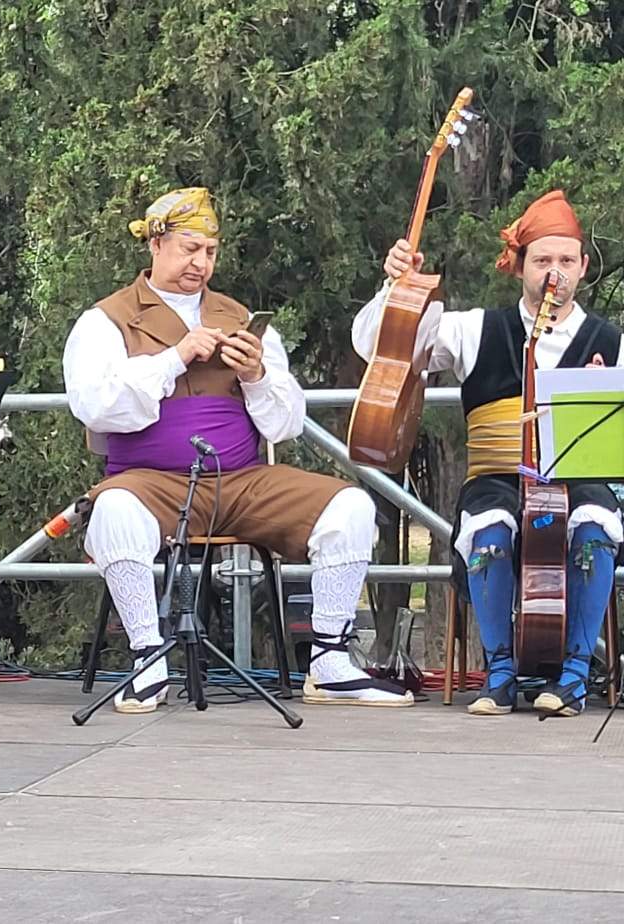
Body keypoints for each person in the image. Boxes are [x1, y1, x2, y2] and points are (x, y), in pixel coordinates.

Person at [64, 187, 409, 713]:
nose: (200, 263)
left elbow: (285, 424)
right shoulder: (106, 320)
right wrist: (175, 357)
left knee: (350, 506)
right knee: (111, 510)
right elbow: (96, 408)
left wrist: (256, 374)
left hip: (241, 481)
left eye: (210, 251)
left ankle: (330, 662)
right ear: (155, 244)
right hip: (150, 482)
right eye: (188, 249)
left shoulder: (238, 315)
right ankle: (148, 657)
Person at [353, 190, 620, 717]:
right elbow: (378, 347)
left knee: (594, 525)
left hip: (579, 478)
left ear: (584, 267)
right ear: (518, 266)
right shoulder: (475, 328)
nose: (555, 273)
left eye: (567, 261)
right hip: (496, 477)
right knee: (490, 529)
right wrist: (396, 287)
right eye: (542, 261)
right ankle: (499, 672)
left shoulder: (611, 341)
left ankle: (574, 676)